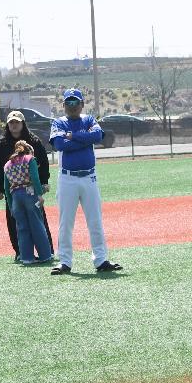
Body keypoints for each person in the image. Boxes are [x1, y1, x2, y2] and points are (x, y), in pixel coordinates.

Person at [49, 88, 122, 274]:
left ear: (82, 104)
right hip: (67, 178)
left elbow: (97, 136)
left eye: (76, 102)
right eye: (69, 103)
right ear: (64, 105)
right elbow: (58, 144)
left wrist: (72, 136)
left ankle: (101, 260)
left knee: (95, 221)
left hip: (89, 177)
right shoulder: (58, 122)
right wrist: (84, 139)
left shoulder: (89, 119)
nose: (72, 106)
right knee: (66, 222)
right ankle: (65, 261)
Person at [0, 111, 53, 260]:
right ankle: (20, 252)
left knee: (39, 219)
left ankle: (47, 250)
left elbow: (43, 163)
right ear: (7, 125)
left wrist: (44, 182)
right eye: (11, 122)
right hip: (12, 191)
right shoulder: (2, 145)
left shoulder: (34, 141)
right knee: (15, 222)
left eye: (17, 122)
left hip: (32, 189)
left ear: (23, 123)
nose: (14, 125)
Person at [3, 140, 53, 264]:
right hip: (30, 194)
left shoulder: (8, 164)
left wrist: (11, 206)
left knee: (22, 228)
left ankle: (26, 257)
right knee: (37, 225)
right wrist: (40, 193)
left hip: (15, 197)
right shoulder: (30, 159)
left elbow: (6, 188)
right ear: (29, 151)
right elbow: (35, 178)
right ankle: (45, 255)